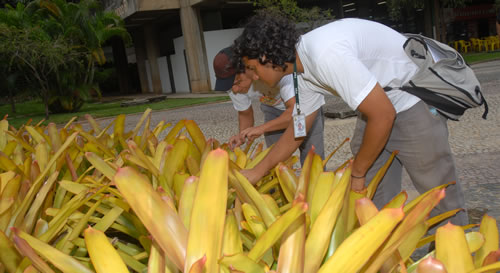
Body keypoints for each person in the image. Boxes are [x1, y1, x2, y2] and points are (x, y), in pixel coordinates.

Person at [232, 14, 468, 225]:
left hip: (411, 102)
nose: (252, 77)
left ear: (266, 56)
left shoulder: (324, 55)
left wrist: (357, 172)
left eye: (252, 68)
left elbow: (383, 114)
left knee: (437, 191)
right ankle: (385, 254)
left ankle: (455, 250)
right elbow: (298, 129)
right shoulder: (299, 72)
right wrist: (259, 170)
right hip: (379, 107)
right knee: (372, 194)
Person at [213, 47, 325, 165]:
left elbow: (295, 112)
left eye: (237, 82)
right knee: (275, 161)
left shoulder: (275, 67)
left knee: (313, 158)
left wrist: (262, 128)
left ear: (248, 67)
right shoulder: (234, 86)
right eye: (231, 86)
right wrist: (242, 135)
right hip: (272, 109)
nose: (234, 89)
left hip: (306, 106)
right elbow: (245, 113)